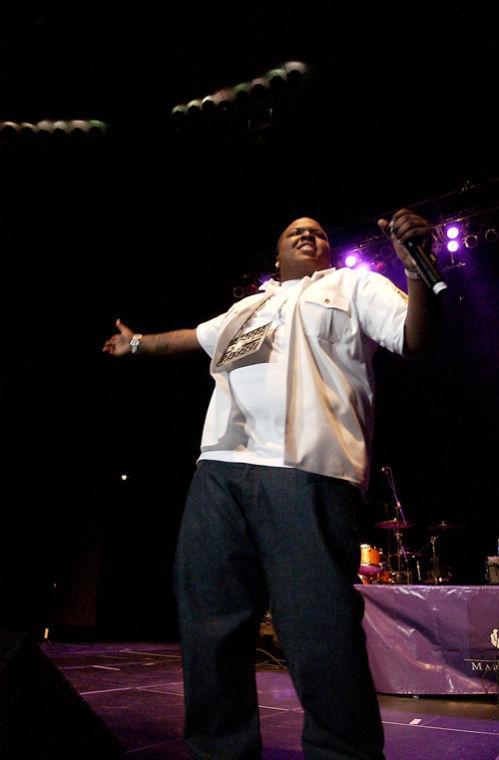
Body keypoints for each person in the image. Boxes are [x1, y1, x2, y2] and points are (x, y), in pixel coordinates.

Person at [103, 209, 442, 759]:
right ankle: (219, 751)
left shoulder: (353, 285)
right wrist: (137, 343)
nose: (309, 234)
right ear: (277, 253)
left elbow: (416, 337)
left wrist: (417, 273)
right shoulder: (248, 307)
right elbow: (192, 338)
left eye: (320, 232)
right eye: (294, 232)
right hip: (218, 472)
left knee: (320, 634)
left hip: (307, 473)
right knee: (210, 627)